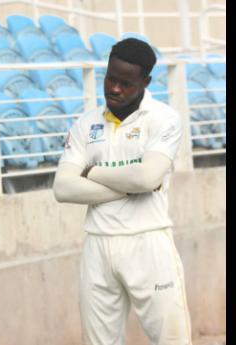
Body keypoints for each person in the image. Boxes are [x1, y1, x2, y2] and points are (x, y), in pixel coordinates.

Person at [53, 38, 192, 345]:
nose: (114, 89)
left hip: (148, 242)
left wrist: (93, 173)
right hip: (98, 246)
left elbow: (146, 178)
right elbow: (62, 188)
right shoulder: (86, 124)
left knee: (172, 340)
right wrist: (127, 188)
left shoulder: (163, 119)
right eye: (110, 78)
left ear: (145, 82)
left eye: (126, 83)